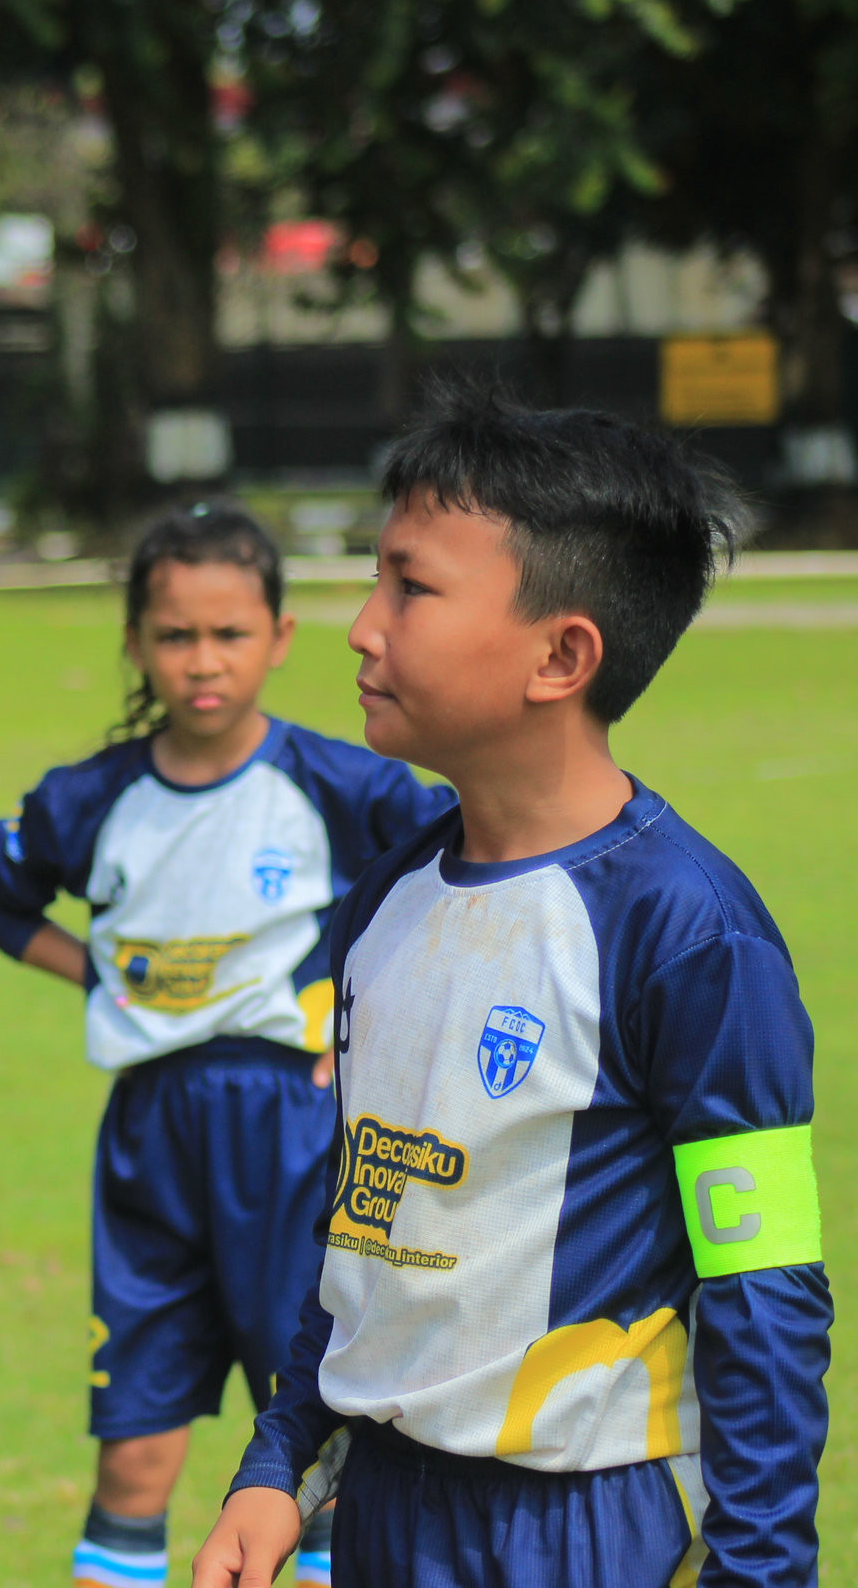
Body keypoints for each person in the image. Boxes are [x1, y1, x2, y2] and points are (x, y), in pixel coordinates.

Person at [192, 392, 830, 1588]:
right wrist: (278, 1458)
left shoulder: (689, 934)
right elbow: (363, 1223)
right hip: (382, 1507)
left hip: (587, 1529)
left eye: (410, 588)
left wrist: (760, 1569)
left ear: (561, 654)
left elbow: (764, 1289)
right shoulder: (385, 898)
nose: (360, 628)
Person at [0, 503, 451, 1588]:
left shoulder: (342, 784)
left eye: (229, 634)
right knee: (134, 1438)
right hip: (146, 1134)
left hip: (290, 1124)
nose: (202, 660)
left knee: (314, 1437)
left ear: (278, 636)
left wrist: (362, 1013)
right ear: (136, 641)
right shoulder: (90, 799)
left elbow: (455, 870)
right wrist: (97, 970)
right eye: (176, 635)